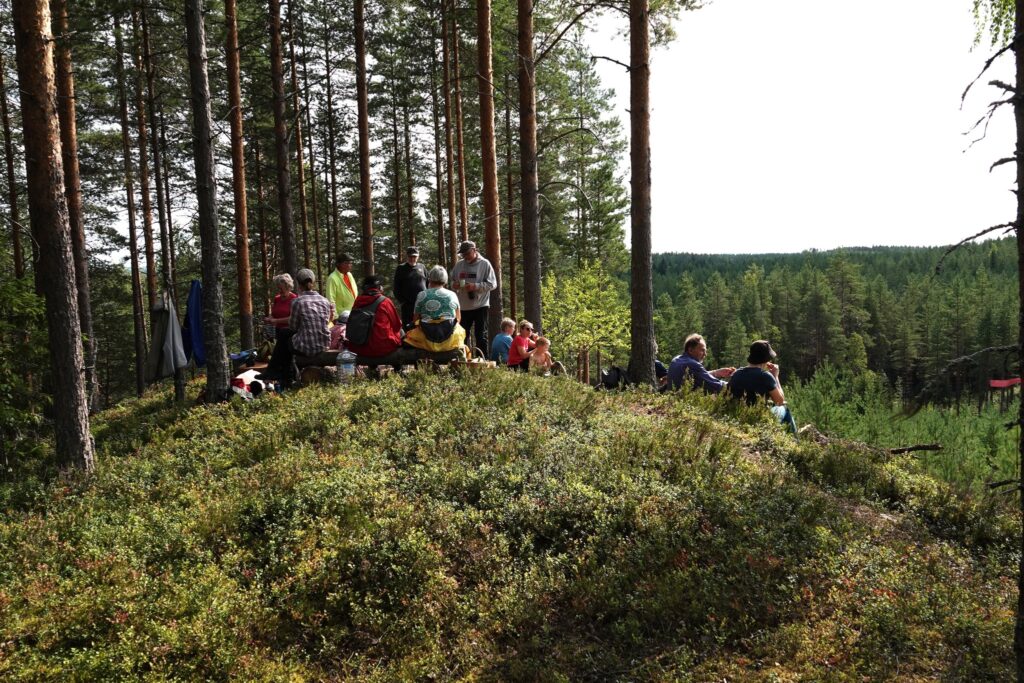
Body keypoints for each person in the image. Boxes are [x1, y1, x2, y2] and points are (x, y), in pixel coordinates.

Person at [728, 340, 797, 434]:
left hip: (738, 416)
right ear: (766, 359)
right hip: (759, 417)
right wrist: (775, 376)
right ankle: (795, 442)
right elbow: (780, 401)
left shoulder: (736, 374)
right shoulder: (765, 376)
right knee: (784, 409)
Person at [286, 268, 334, 385]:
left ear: (299, 284)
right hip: (324, 344)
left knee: (285, 337)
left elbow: (292, 326)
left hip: (306, 348)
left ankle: (287, 376)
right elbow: (327, 321)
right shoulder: (325, 301)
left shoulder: (297, 302)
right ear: (313, 282)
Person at [404, 265, 467, 353]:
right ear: (445, 280)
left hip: (426, 339)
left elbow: (415, 320)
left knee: (408, 336)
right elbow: (458, 318)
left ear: (430, 279)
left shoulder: (422, 295)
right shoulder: (452, 294)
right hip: (450, 340)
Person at [449, 240, 496, 353]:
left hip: (481, 305)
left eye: (467, 253)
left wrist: (475, 286)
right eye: (463, 254)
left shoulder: (484, 264)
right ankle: (462, 360)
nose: (465, 256)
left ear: (474, 250)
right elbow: (451, 281)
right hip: (463, 307)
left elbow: (492, 284)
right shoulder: (459, 264)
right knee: (462, 335)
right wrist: (454, 285)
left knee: (481, 335)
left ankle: (482, 361)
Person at [346, 275, 403, 358]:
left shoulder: (358, 301)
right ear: (380, 288)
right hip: (381, 348)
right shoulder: (385, 301)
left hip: (358, 347)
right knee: (400, 332)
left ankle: (372, 367)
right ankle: (398, 367)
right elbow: (397, 325)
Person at [668, 333, 735, 393]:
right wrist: (738, 380)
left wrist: (716, 373)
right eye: (702, 350)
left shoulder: (676, 359)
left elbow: (696, 376)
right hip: (687, 404)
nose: (705, 354)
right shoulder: (693, 364)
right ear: (690, 350)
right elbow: (717, 386)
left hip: (674, 401)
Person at [262, 273, 298, 379]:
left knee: (287, 358)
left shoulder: (295, 299)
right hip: (278, 332)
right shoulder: (277, 298)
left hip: (289, 332)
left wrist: (276, 320)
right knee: (281, 357)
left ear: (288, 287)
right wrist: (269, 318)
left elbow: (293, 318)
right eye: (278, 288)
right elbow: (274, 312)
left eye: (281, 288)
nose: (280, 291)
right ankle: (283, 380)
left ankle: (290, 378)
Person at [393, 246, 427, 330]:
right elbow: (396, 287)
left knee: (423, 327)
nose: (412, 259)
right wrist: (402, 301)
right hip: (408, 305)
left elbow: (428, 282)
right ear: (407, 256)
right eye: (410, 256)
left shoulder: (422, 267)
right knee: (408, 328)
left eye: (414, 256)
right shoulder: (401, 268)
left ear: (418, 256)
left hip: (422, 304)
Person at [325, 253, 358, 322]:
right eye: (346, 263)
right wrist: (335, 318)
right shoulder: (332, 278)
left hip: (353, 314)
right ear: (338, 264)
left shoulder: (349, 275)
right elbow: (330, 299)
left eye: (350, 263)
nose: (350, 265)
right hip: (341, 318)